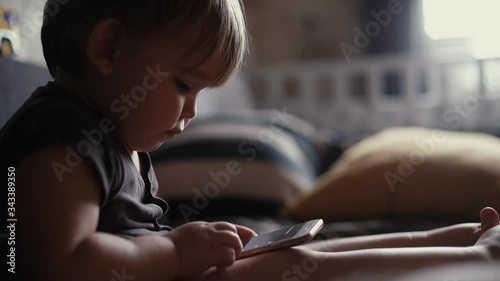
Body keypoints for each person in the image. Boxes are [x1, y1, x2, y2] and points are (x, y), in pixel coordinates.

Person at [0, 1, 498, 281]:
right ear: (108, 49)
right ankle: (476, 260)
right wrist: (174, 253)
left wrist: (183, 246)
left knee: (296, 252)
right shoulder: (59, 138)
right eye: (184, 85)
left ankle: (445, 239)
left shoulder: (107, 133)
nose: (192, 112)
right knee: (294, 267)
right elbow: (59, 265)